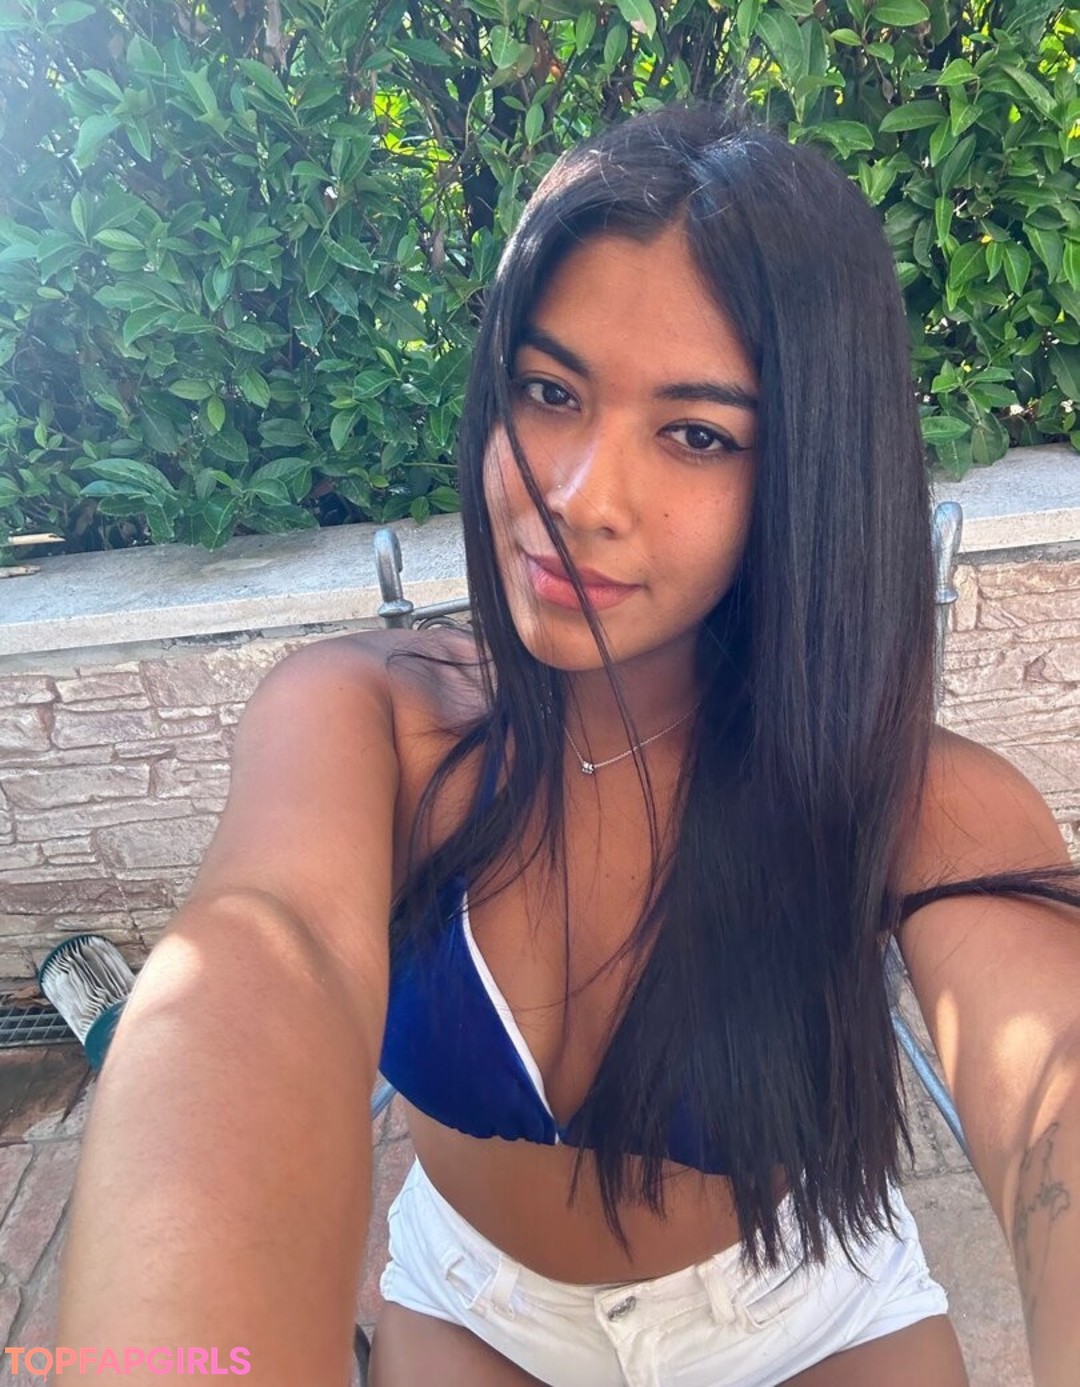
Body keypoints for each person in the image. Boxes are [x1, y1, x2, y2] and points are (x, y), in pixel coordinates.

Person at [57, 101, 1080, 1387]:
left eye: (697, 434)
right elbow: (261, 964)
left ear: (806, 472)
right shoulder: (368, 723)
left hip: (805, 1310)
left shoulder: (903, 792)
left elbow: (1054, 1083)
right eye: (549, 392)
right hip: (478, 1306)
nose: (579, 498)